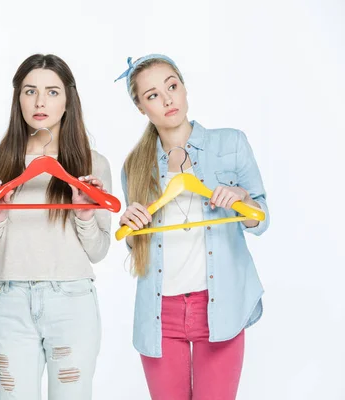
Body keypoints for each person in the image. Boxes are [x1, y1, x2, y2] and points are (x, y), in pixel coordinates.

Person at [115, 54, 270, 400]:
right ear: (141, 108)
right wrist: (131, 226)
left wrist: (242, 200)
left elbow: (261, 218)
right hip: (160, 313)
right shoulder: (134, 166)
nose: (168, 99)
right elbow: (138, 244)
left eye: (172, 86)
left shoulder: (230, 144)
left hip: (221, 305)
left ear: (184, 88)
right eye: (153, 95)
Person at [0, 54, 111, 399]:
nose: (40, 102)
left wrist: (85, 214)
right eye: (30, 91)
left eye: (52, 92)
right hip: (8, 300)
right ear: (18, 98)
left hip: (72, 302)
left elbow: (99, 250)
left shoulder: (93, 163)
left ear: (68, 100)